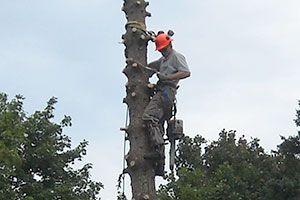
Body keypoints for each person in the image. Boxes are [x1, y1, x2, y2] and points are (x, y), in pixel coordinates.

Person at [142, 31, 191, 176]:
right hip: (164, 93)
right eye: (161, 50)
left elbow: (186, 72)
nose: (162, 52)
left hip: (167, 91)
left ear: (170, 44)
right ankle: (160, 164)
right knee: (159, 125)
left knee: (149, 117)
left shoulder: (176, 57)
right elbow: (151, 67)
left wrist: (168, 77)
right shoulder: (162, 61)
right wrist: (140, 67)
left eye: (164, 49)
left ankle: (157, 150)